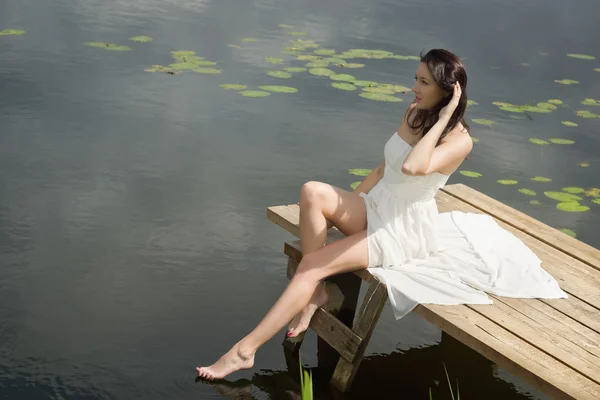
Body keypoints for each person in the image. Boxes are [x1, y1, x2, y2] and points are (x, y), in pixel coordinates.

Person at [196, 48, 566, 381]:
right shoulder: (415, 112)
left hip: (403, 228)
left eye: (423, 82)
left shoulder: (459, 140)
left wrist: (445, 118)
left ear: (447, 91)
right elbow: (384, 169)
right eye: (415, 79)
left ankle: (244, 351)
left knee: (311, 266)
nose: (413, 89)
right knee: (313, 191)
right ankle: (316, 294)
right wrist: (346, 208)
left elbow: (413, 168)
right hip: (378, 207)